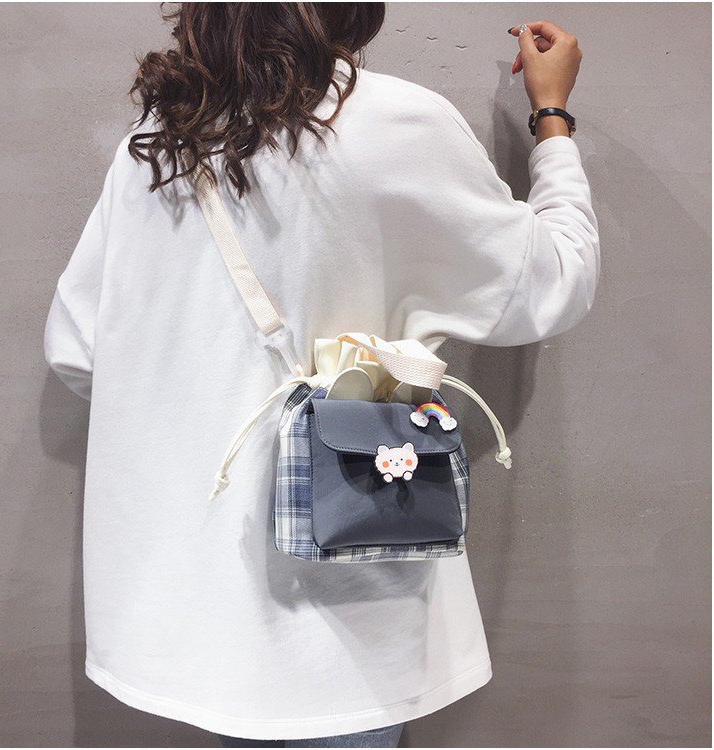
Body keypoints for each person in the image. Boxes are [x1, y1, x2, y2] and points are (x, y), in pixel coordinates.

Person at [43, 4, 598, 748]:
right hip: (340, 615)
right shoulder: (396, 124)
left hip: (188, 617)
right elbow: (554, 281)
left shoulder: (156, 141)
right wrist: (552, 118)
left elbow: (78, 351)